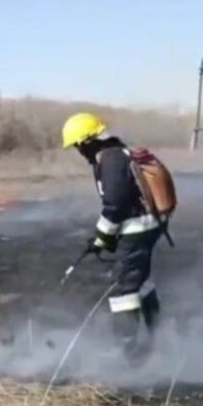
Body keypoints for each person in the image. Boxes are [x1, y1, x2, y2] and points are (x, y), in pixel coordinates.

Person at [61, 112, 163, 363]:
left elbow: (115, 205)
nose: (79, 152)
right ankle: (158, 335)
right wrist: (103, 237)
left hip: (137, 227)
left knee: (124, 291)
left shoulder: (111, 159)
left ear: (88, 141)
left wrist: (101, 236)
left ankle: (128, 353)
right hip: (143, 225)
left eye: (78, 146)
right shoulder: (113, 155)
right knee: (140, 279)